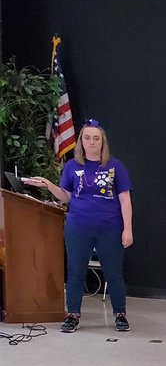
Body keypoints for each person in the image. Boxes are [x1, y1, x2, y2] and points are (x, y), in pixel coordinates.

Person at [24, 118, 133, 333]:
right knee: (75, 272)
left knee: (114, 273)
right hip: (78, 227)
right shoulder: (72, 166)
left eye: (96, 138)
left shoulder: (115, 166)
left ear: (103, 142)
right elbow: (65, 196)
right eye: (87, 138)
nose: (92, 142)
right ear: (81, 141)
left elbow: (125, 198)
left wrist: (127, 228)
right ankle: (73, 315)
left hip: (109, 227)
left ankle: (120, 314)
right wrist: (47, 184)